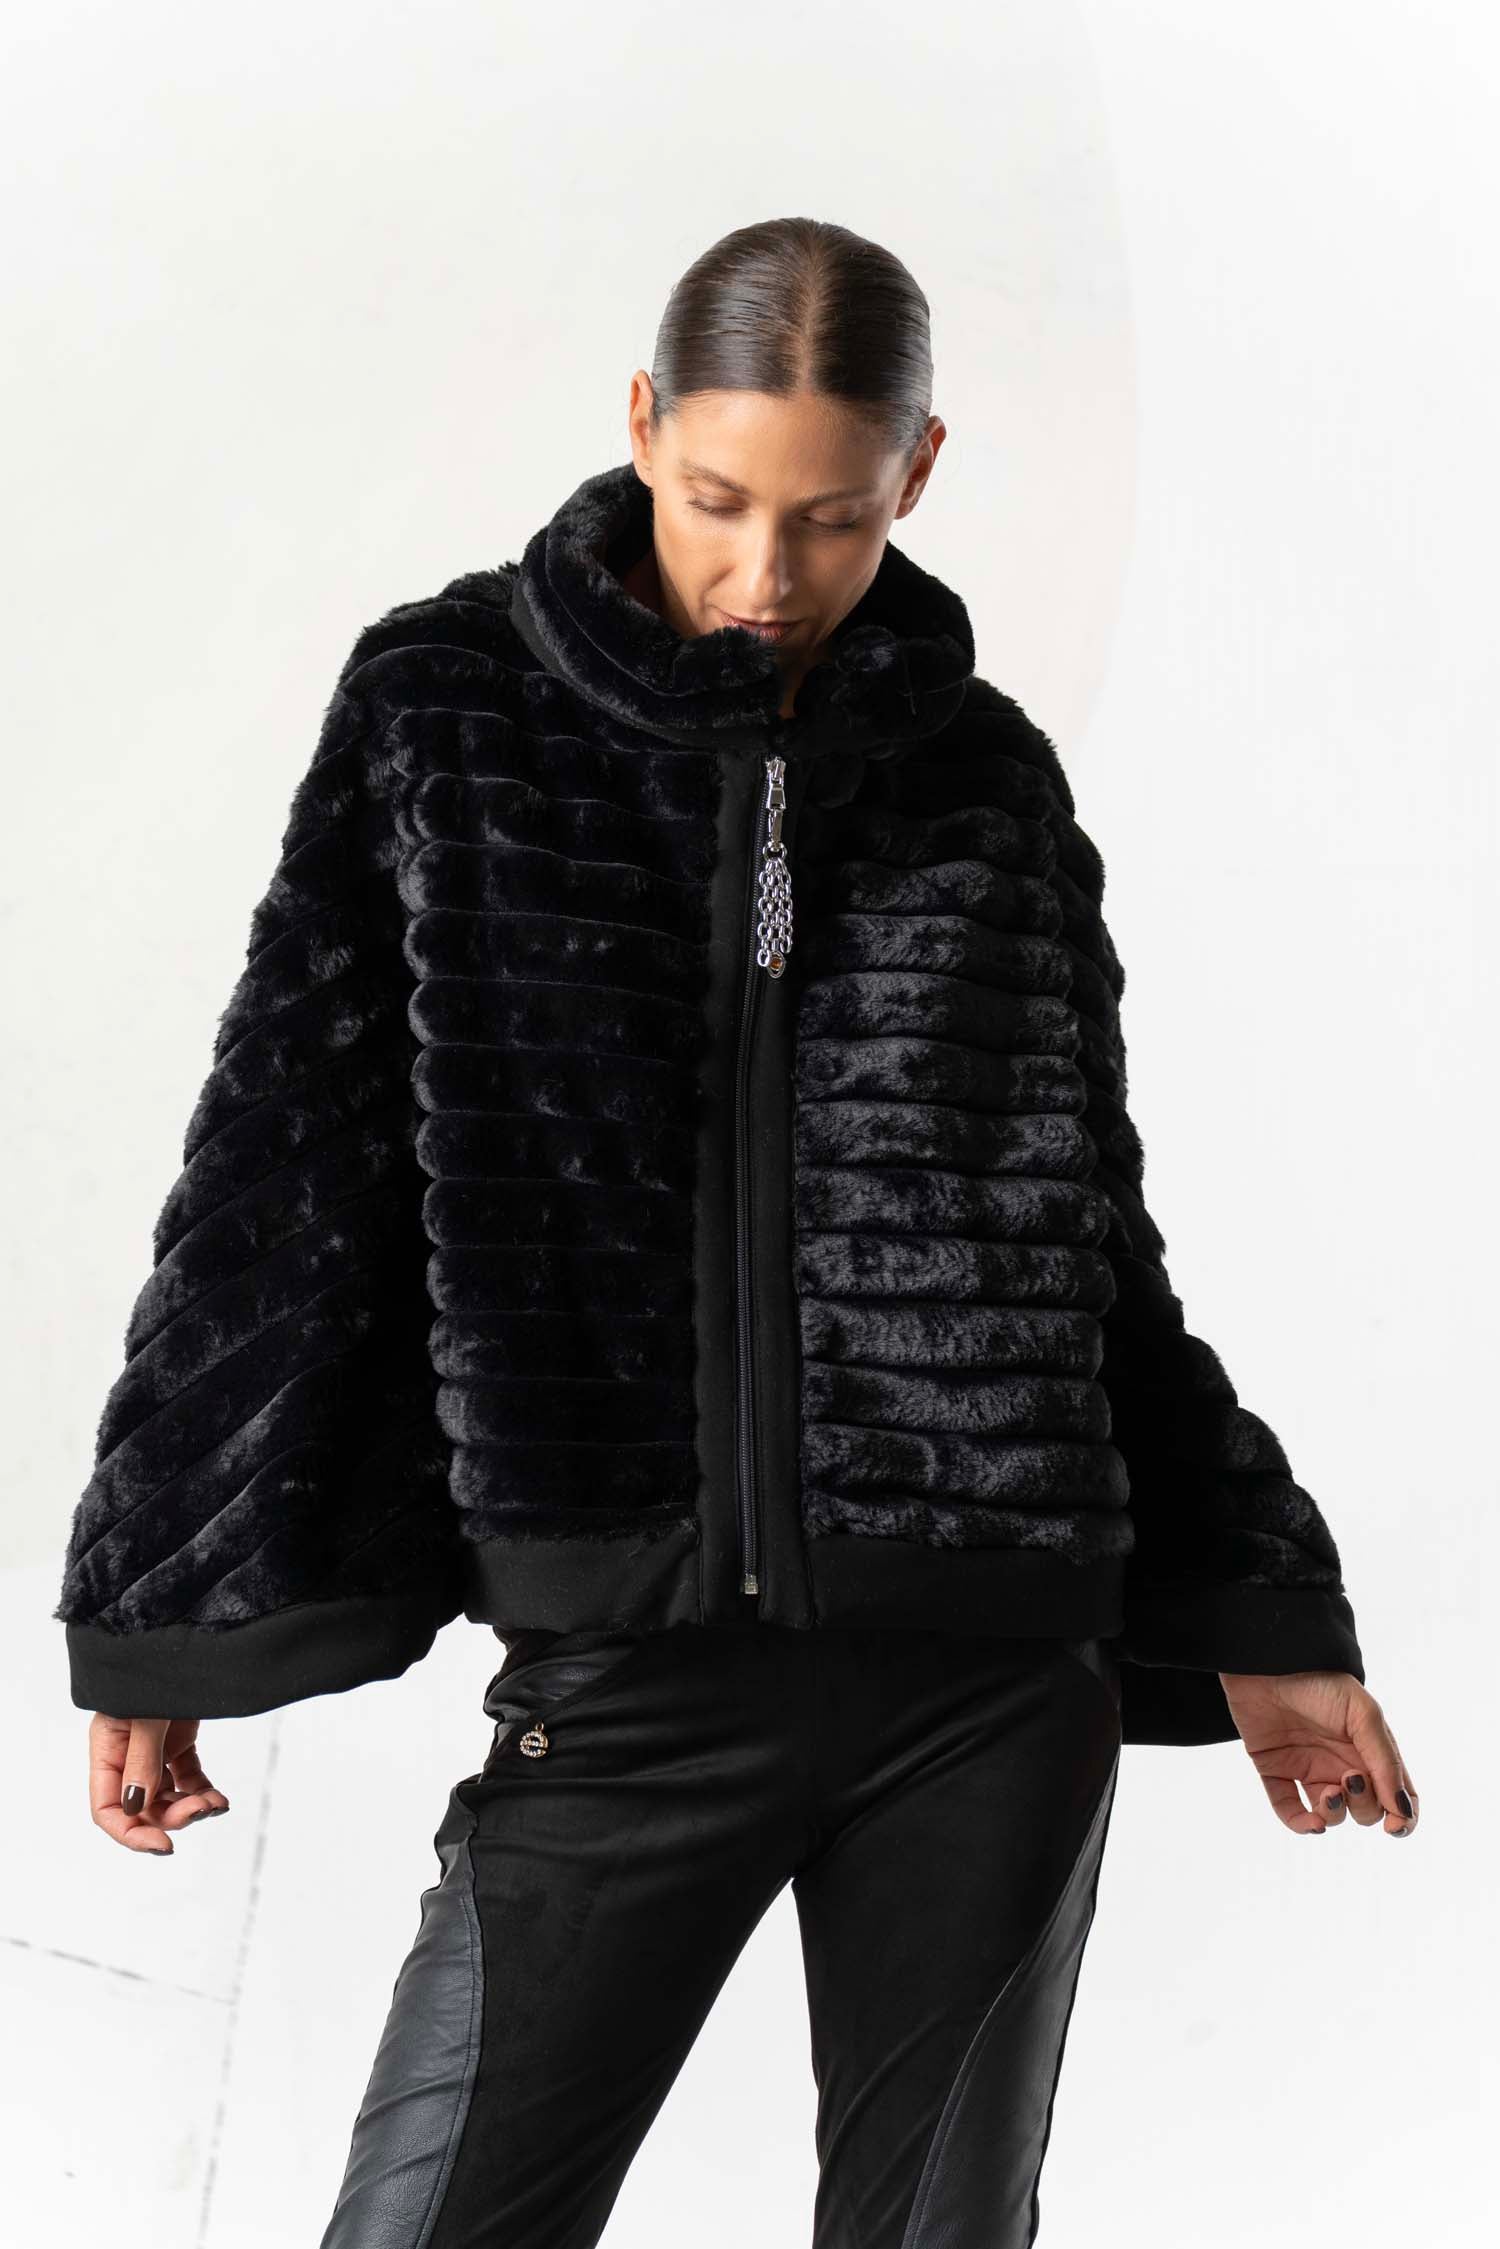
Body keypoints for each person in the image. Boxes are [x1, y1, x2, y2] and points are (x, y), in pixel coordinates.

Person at [56, 217, 1418, 2248]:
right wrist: (168, 1595)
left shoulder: (986, 781)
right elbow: (287, 1157)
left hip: (986, 1681)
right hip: (627, 1682)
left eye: (833, 519)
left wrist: (1264, 1615)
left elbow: (1084, 1247)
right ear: (641, 426)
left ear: (919, 473)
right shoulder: (448, 711)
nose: (766, 576)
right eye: (717, 501)